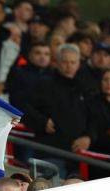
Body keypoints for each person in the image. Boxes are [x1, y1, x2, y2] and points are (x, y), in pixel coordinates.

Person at [23, 44, 90, 178]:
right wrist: (43, 122)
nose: (69, 65)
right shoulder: (44, 84)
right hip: (49, 153)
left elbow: (94, 118)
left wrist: (89, 137)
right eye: (65, 61)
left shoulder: (85, 88)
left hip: (76, 158)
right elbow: (25, 109)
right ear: (57, 63)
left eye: (73, 62)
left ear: (78, 64)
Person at [82, 68, 110, 179]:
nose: (109, 83)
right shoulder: (91, 102)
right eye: (106, 80)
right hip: (97, 155)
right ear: (100, 82)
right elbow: (92, 128)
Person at [8, 42, 53, 111]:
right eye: (38, 53)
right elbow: (16, 101)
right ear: (29, 55)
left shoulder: (54, 76)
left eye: (46, 54)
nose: (42, 57)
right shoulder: (18, 73)